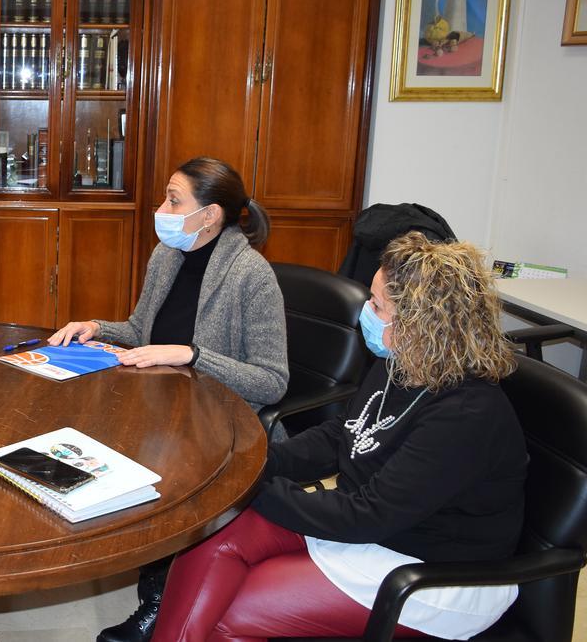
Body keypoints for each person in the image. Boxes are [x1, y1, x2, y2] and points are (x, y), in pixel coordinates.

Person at [152, 232, 526, 641]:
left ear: (418, 324)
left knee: (234, 612)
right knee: (213, 535)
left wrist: (247, 484)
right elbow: (342, 435)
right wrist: (253, 461)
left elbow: (368, 516)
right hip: (372, 527)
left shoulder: (467, 414)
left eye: (377, 305)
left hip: (432, 571)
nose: (365, 311)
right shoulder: (402, 362)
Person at [48, 157, 288, 642]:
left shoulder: (251, 274)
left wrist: (194, 355)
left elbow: (272, 381)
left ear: (210, 215)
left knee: (155, 464)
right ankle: (125, 560)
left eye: (173, 200)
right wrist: (95, 328)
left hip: (220, 421)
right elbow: (141, 332)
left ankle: (158, 601)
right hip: (162, 401)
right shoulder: (168, 255)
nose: (162, 209)